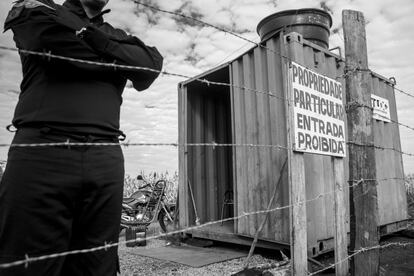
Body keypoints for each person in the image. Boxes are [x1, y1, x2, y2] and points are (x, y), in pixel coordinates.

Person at [0, 0, 163, 275]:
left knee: (97, 264)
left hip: (105, 157)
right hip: (43, 154)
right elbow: (46, 42)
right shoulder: (38, 9)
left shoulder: (113, 33)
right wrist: (116, 59)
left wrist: (91, 36)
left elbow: (150, 65)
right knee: (29, 264)